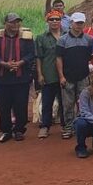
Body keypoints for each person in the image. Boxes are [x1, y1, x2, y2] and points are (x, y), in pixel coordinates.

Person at [0, 12, 36, 143]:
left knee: (21, 104)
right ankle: (6, 131)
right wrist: (4, 64)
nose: (15, 24)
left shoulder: (26, 37)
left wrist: (20, 63)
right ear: (6, 24)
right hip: (2, 78)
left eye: (17, 22)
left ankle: (19, 130)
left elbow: (31, 53)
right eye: (12, 22)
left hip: (21, 78)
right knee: (4, 106)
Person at [56, 12, 93, 140]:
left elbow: (91, 57)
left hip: (83, 76)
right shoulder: (63, 39)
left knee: (83, 102)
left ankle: (80, 126)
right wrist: (61, 76)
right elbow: (59, 58)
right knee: (68, 103)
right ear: (71, 23)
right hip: (67, 76)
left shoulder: (88, 39)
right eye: (77, 23)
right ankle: (68, 127)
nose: (79, 25)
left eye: (81, 23)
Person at [35, 10, 64, 138]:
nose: (54, 21)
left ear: (60, 21)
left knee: (65, 102)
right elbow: (38, 58)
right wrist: (40, 74)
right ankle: (45, 126)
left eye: (57, 19)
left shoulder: (67, 35)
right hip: (48, 74)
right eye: (51, 19)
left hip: (64, 74)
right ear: (47, 21)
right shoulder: (41, 38)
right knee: (47, 102)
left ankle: (65, 125)